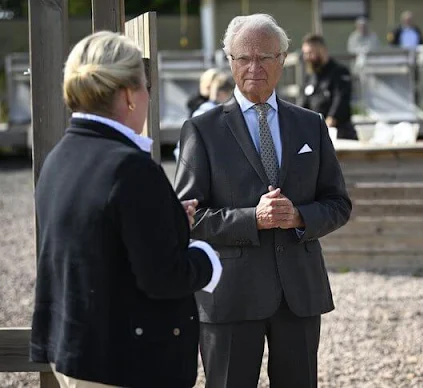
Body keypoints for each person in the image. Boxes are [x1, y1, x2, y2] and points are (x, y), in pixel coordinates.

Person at [30, 31, 222, 388]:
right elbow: (164, 277)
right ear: (130, 96)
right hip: (125, 364)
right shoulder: (130, 168)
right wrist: (207, 259)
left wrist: (167, 222)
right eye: (147, 86)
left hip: (76, 353)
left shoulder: (59, 158)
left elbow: (98, 236)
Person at [174, 14, 352, 388]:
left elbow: (338, 203)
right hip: (230, 295)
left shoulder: (310, 124)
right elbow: (185, 217)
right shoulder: (202, 130)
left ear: (283, 60)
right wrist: (251, 219)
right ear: (230, 62)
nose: (254, 67)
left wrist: (299, 216)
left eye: (265, 57)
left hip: (299, 295)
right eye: (243, 58)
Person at [301, 33, 358, 140]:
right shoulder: (310, 77)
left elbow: (341, 100)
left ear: (322, 51)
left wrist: (329, 122)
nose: (306, 58)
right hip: (316, 133)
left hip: (339, 133)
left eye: (310, 53)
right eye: (305, 54)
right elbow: (304, 104)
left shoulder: (340, 72)